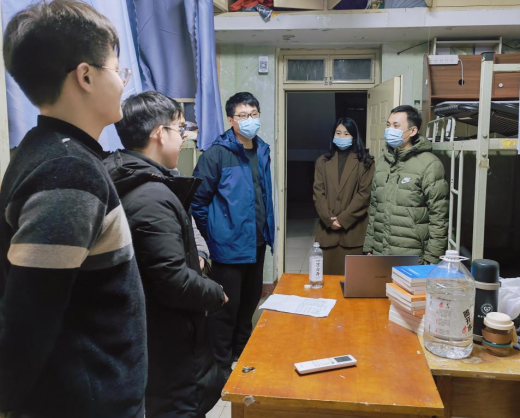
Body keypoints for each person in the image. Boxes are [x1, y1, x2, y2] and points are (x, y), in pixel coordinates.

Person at [0, 1, 147, 417]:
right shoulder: (68, 171)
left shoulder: (46, 150)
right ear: (85, 76)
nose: (122, 82)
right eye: (117, 70)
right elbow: (26, 322)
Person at [104, 91, 227, 417]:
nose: (184, 136)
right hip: (169, 346)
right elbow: (173, 281)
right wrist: (215, 292)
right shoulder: (151, 197)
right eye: (180, 128)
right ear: (160, 133)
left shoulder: (138, 177)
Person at [192, 92, 275, 380]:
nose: (249, 120)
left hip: (257, 243)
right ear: (231, 120)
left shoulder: (262, 150)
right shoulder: (216, 154)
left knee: (249, 303)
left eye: (253, 114)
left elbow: (261, 195)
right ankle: (221, 365)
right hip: (227, 248)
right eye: (242, 115)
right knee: (226, 308)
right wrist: (214, 236)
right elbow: (197, 202)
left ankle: (242, 353)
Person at [363, 105, 449, 264]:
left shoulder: (429, 164)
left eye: (396, 126)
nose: (390, 130)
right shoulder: (382, 163)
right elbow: (374, 209)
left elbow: (439, 217)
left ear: (412, 131)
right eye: (388, 125)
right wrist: (369, 246)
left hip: (413, 256)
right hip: (380, 252)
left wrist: (432, 258)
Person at [313, 117, 375, 275]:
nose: (341, 137)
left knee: (353, 282)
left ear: (354, 136)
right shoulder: (322, 161)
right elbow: (318, 193)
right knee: (327, 282)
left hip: (354, 235)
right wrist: (329, 219)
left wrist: (342, 220)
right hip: (327, 233)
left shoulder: (366, 162)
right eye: (338, 133)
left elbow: (364, 195)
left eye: (346, 134)